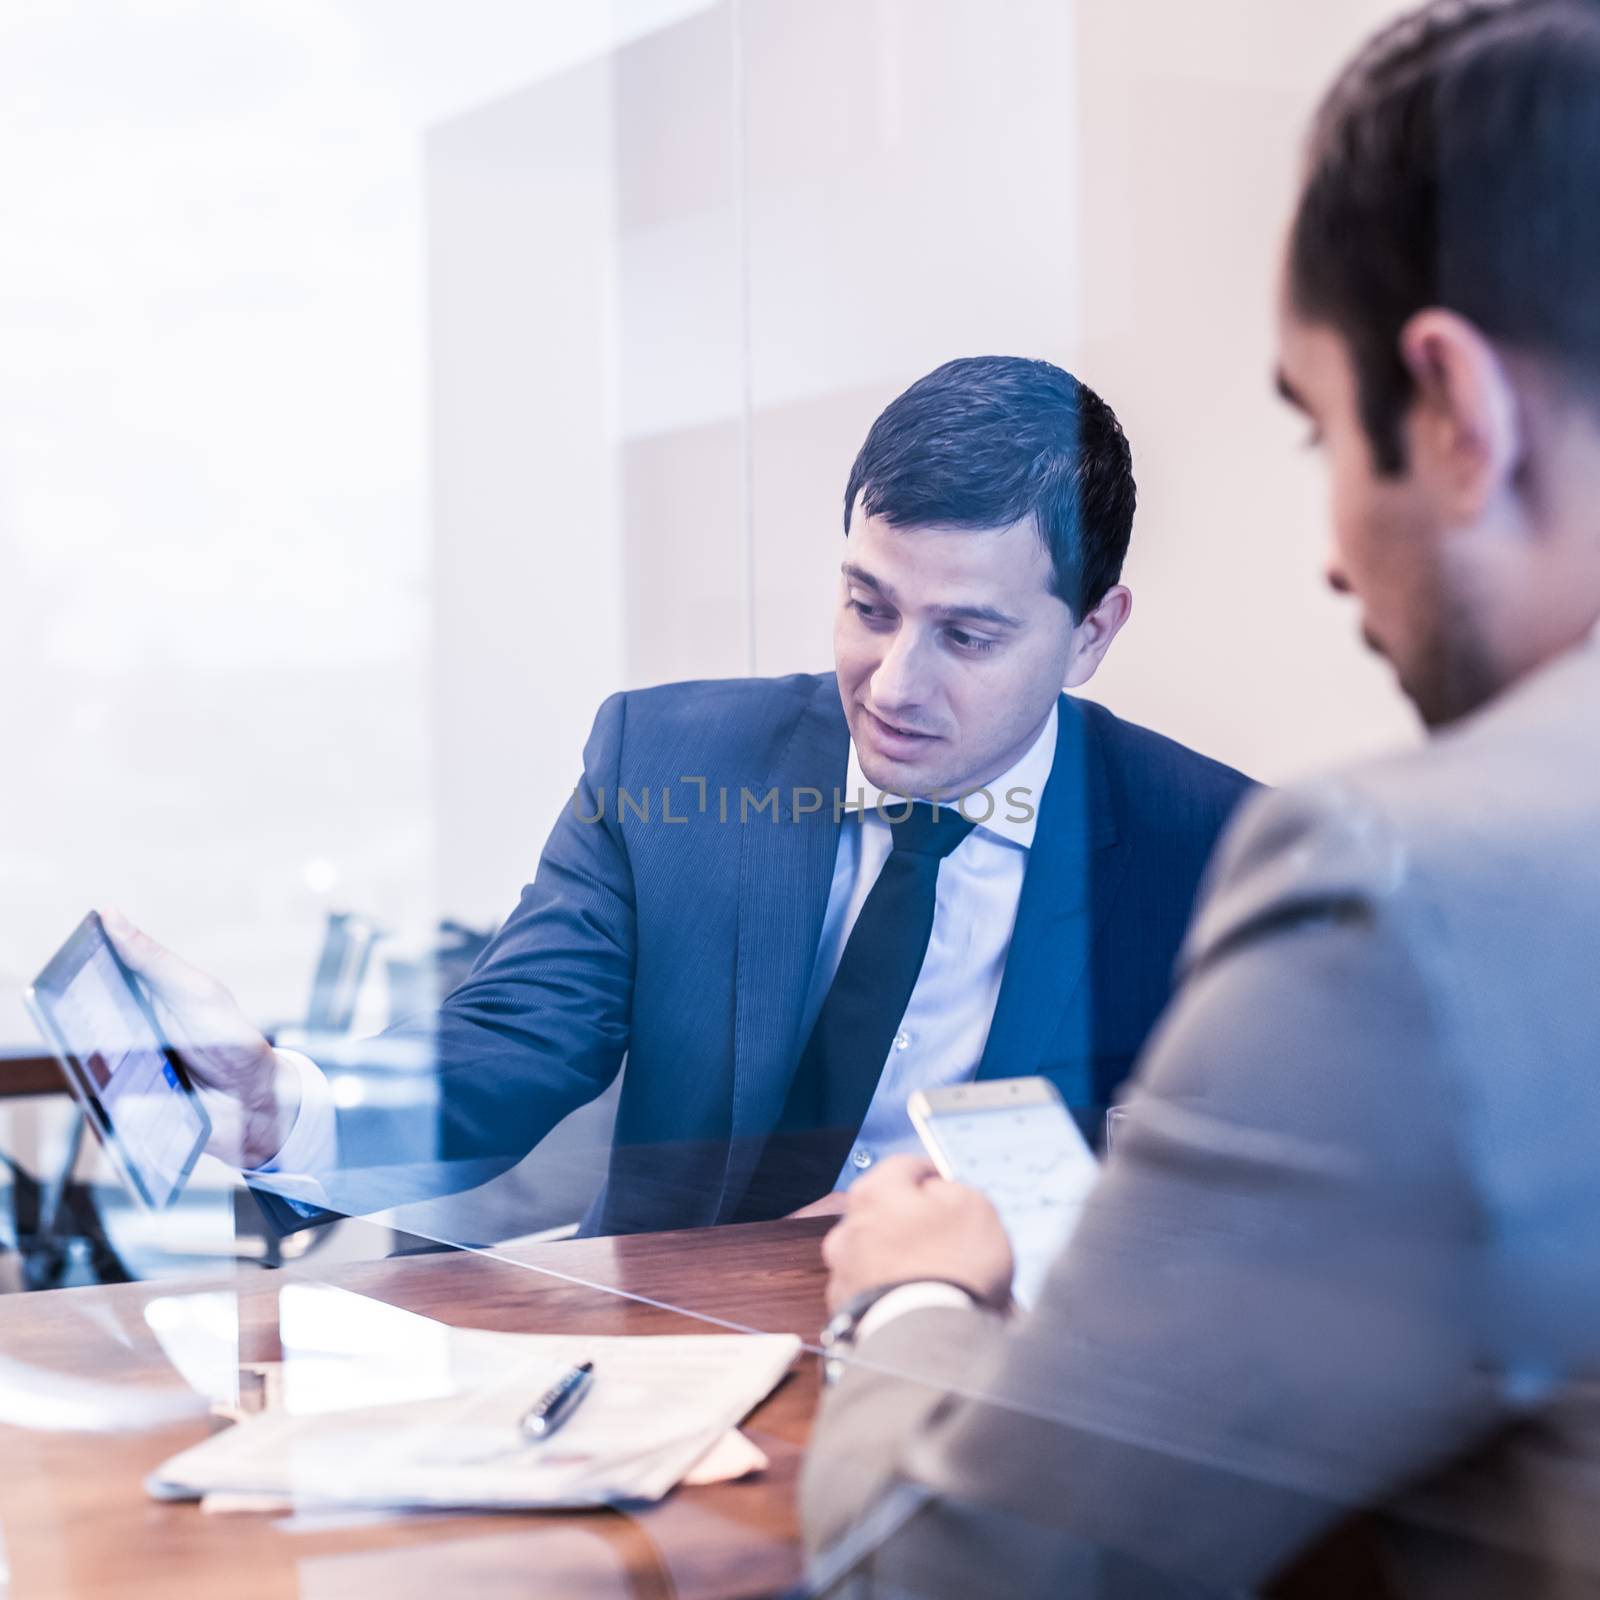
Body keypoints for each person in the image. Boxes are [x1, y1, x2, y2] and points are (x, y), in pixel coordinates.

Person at [802, 3, 1600, 1594]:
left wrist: (908, 1302)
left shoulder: (1399, 887)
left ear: (1449, 413)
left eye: (1318, 433)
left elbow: (950, 1572)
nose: (1325, 549)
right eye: (871, 608)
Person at [107, 355, 1252, 1238]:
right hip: (667, 1363)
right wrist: (279, 1104)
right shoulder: (665, 765)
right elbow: (512, 1041)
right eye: (869, 606)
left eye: (968, 634)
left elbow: (1239, 1209)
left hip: (986, 1399)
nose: (896, 682)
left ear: (1091, 634)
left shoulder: (1212, 848)